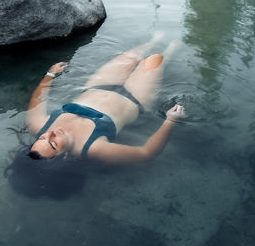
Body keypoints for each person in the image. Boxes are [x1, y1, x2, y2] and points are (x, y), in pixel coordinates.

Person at [25, 35, 185, 165]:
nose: (51, 133)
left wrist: (50, 74)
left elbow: (38, 98)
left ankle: (154, 40)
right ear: (64, 155)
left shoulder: (38, 125)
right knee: (155, 60)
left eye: (43, 138)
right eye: (53, 143)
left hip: (98, 85)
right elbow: (145, 153)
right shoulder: (93, 149)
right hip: (135, 98)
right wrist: (170, 121)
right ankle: (171, 50)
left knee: (130, 55)